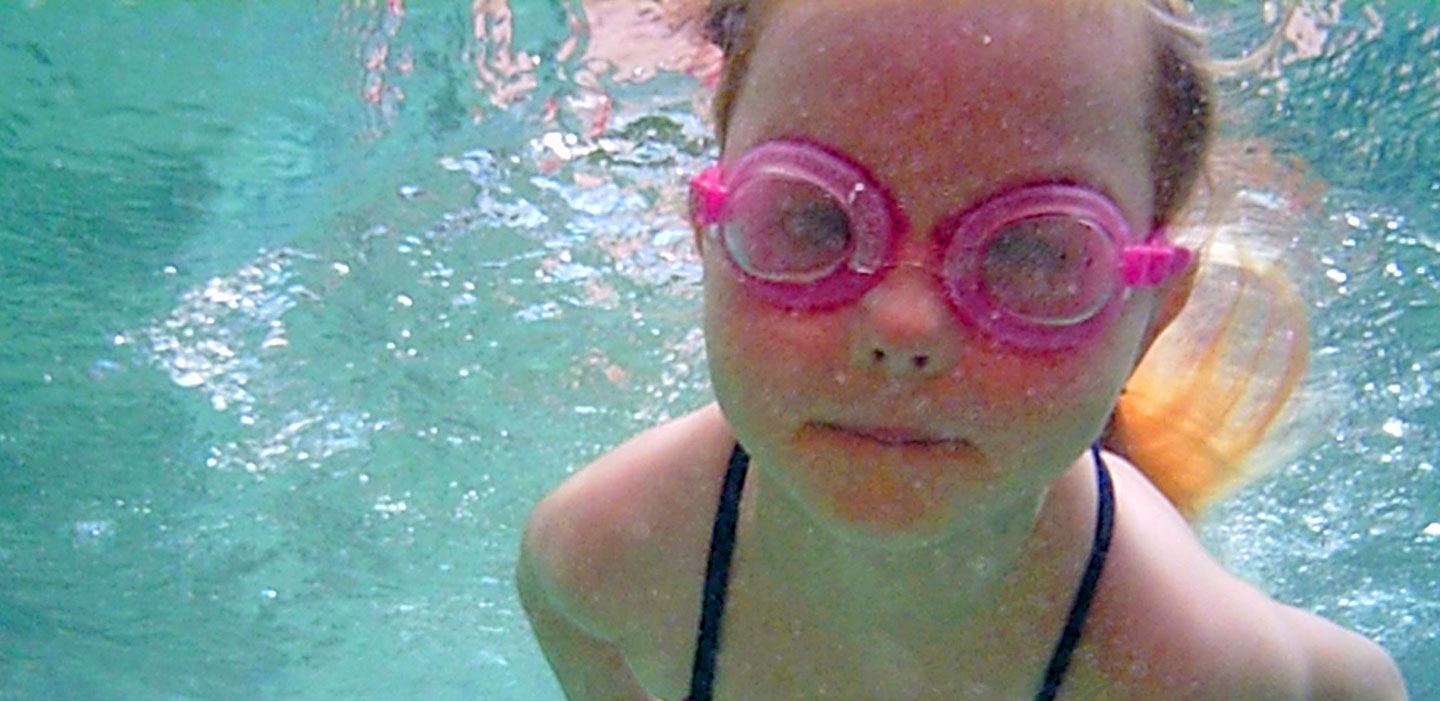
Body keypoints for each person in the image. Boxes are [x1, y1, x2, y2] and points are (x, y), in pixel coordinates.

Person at [516, 0, 1409, 698]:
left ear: (1151, 317)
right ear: (708, 236)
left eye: (1034, 253)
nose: (903, 326)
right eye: (814, 219)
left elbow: (1364, 682)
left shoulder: (1185, 661)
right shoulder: (596, 560)